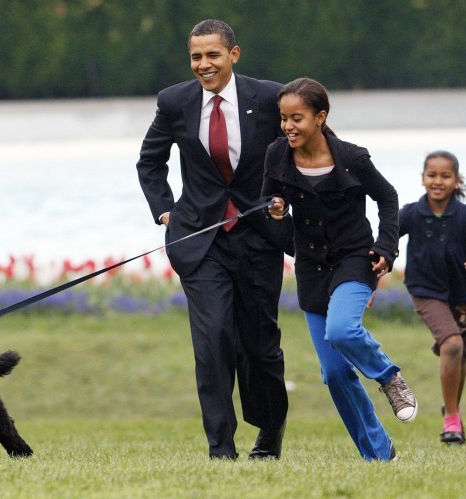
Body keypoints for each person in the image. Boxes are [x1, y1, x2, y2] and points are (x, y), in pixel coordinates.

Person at [136, 19, 293, 460]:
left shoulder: (268, 97)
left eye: (212, 55)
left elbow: (300, 149)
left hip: (258, 238)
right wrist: (165, 210)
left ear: (234, 54)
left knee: (260, 345)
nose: (203, 65)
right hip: (201, 242)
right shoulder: (174, 102)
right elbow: (149, 163)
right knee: (213, 342)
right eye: (195, 57)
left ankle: (269, 431)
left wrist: (285, 200)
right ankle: (220, 449)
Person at [261, 77, 417, 461]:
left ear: (320, 117)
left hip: (353, 260)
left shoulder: (352, 157)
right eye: (283, 118)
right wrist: (277, 212)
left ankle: (388, 376)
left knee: (343, 330)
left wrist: (386, 247)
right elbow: (268, 205)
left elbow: (389, 198)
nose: (288, 126)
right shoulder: (277, 155)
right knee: (333, 373)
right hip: (311, 268)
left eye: (297, 117)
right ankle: (380, 455)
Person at [399, 150, 466, 446]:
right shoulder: (411, 214)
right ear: (422, 179)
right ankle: (452, 419)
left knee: (460, 354)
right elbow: (387, 239)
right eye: (432, 175)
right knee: (453, 343)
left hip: (463, 292)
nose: (438, 181)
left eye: (445, 176)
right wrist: (377, 267)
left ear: (456, 181)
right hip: (425, 290)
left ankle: (451, 408)